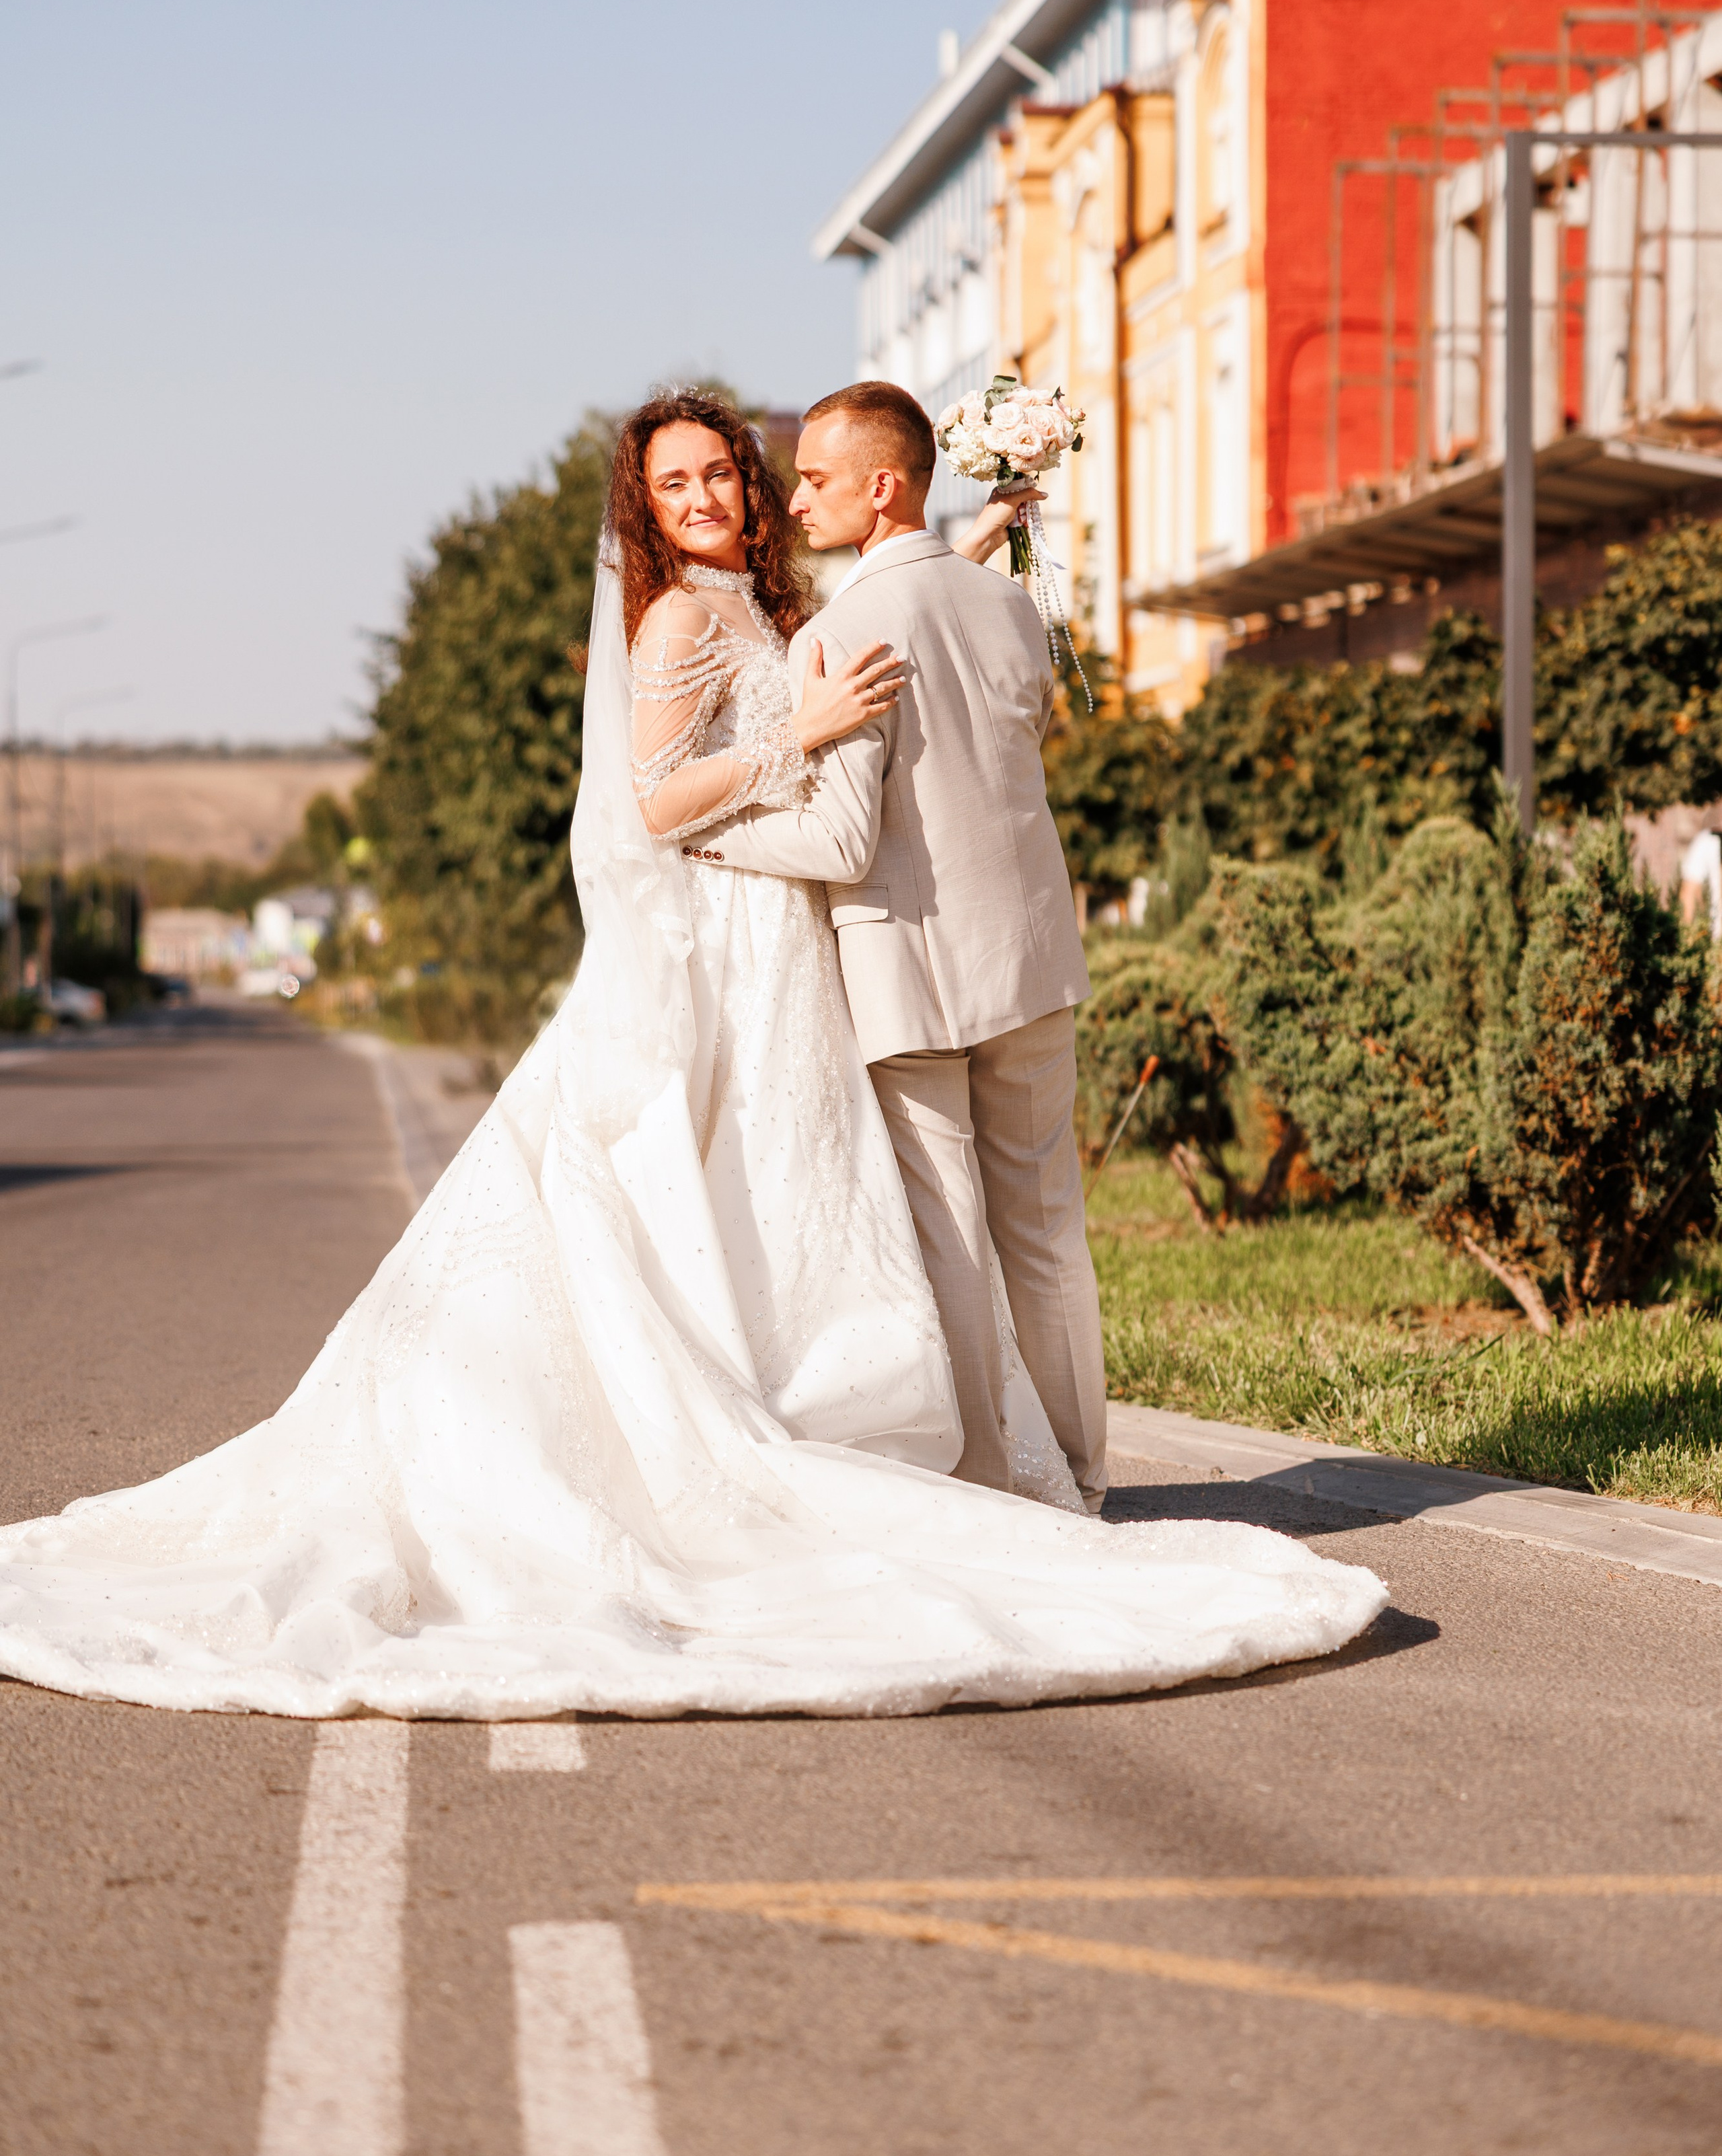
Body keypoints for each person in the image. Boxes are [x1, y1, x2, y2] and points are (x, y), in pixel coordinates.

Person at [0, 388, 1384, 1719]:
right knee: (706, 1178)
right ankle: (800, 1445)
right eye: (675, 485)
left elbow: (852, 626)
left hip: (793, 936)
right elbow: (656, 801)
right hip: (727, 930)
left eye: (721, 472)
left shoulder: (778, 603)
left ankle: (883, 1424)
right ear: (646, 511)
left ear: (750, 483)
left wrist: (952, 554)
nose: (707, 497)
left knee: (794, 1190)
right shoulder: (673, 624)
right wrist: (804, 736)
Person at [696, 381, 1107, 1512]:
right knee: (1049, 1234)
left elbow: (840, 839)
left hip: (908, 972)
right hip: (1030, 953)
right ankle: (1086, 1473)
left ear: (882, 488)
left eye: (816, 479)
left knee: (955, 1242)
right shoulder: (1011, 606)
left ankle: (996, 1486)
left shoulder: (837, 635)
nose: (794, 498)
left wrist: (709, 835)